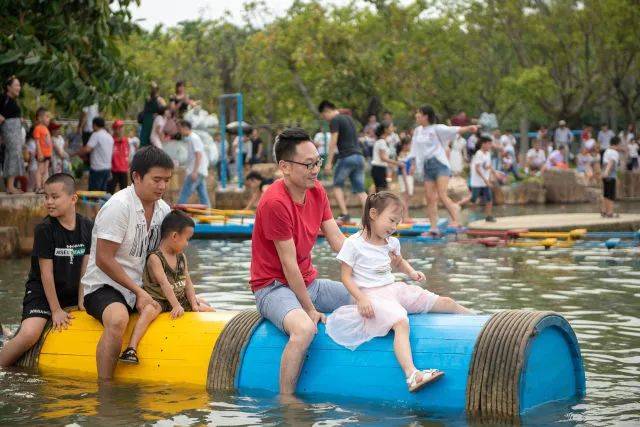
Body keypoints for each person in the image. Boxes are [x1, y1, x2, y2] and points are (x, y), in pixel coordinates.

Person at [325, 192, 470, 391]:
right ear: (373, 214)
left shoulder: (391, 242)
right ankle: (412, 375)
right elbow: (345, 277)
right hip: (370, 295)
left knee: (446, 302)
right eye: (391, 221)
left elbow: (399, 262)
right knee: (401, 322)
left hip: (393, 289)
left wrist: (412, 272)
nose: (394, 227)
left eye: (397, 223)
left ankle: (485, 323)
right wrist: (361, 299)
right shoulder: (353, 244)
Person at [250, 127, 357, 395]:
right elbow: (288, 266)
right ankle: (286, 400)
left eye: (317, 162)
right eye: (308, 164)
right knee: (304, 330)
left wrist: (369, 272)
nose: (315, 169)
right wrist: (309, 309)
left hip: (308, 282)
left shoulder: (317, 191)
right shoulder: (275, 202)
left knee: (367, 298)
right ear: (284, 167)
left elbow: (337, 240)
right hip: (272, 287)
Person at [81, 146, 174, 380]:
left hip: (140, 287)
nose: (162, 186)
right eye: (156, 179)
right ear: (136, 177)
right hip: (104, 286)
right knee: (118, 319)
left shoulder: (164, 210)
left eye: (167, 180)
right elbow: (103, 259)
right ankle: (105, 388)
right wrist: (138, 293)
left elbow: (166, 256)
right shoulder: (118, 206)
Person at [0, 173, 93, 367]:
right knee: (29, 334)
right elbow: (46, 273)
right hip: (42, 293)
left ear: (73, 198)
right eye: (46, 196)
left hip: (70, 291)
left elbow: (85, 268)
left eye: (55, 197)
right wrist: (56, 310)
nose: (49, 202)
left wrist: (82, 301)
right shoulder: (44, 229)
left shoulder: (87, 226)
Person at [118, 210, 214, 364]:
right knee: (149, 311)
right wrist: (176, 305)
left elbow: (188, 281)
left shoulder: (181, 256)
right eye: (187, 239)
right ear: (175, 236)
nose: (187, 244)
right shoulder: (155, 258)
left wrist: (193, 303)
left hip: (179, 298)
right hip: (159, 300)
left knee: (206, 306)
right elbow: (164, 283)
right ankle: (131, 348)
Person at [408, 105, 479, 234]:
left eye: (419, 114)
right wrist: (413, 164)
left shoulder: (437, 128)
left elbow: (454, 130)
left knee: (441, 194)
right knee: (430, 198)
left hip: (440, 164)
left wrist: (469, 128)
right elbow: (414, 149)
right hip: (427, 166)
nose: (416, 116)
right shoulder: (417, 131)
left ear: (425, 116)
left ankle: (456, 220)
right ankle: (433, 228)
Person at [319, 100, 367, 223]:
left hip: (347, 157)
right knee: (360, 189)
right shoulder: (348, 118)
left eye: (324, 116)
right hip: (359, 157)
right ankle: (370, 216)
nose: (325, 119)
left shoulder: (335, 120)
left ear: (327, 111)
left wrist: (328, 162)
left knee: (337, 186)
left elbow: (333, 141)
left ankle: (345, 214)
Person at [0, 75, 26, 194]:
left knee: (15, 155)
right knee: (13, 155)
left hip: (15, 131)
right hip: (9, 131)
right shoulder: (3, 98)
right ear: (8, 87)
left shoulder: (13, 100)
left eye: (19, 85)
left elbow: (10, 113)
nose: (19, 87)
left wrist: (19, 119)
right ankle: (10, 186)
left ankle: (11, 185)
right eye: (16, 85)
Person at [177, 120, 210, 207]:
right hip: (199, 170)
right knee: (203, 195)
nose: (179, 130)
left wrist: (195, 171)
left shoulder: (193, 138)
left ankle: (177, 214)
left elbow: (198, 154)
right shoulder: (191, 138)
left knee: (185, 193)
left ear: (185, 128)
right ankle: (207, 215)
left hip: (196, 171)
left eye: (180, 128)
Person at [77, 117, 114, 191]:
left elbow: (87, 149)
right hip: (107, 168)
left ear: (94, 125)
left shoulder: (96, 135)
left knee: (94, 193)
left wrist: (78, 152)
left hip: (97, 168)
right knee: (102, 192)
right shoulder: (109, 137)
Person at [469, 136, 496, 222]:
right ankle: (471, 216)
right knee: (474, 199)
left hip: (485, 181)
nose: (490, 146)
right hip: (477, 181)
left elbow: (487, 166)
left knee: (489, 198)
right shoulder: (479, 153)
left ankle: (488, 216)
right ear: (483, 144)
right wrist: (485, 180)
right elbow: (477, 169)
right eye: (489, 144)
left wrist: (493, 174)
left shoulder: (488, 153)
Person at [371, 121, 402, 192]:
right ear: (385, 129)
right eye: (391, 127)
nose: (393, 129)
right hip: (379, 169)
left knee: (380, 192)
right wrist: (397, 163)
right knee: (382, 192)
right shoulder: (381, 142)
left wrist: (391, 164)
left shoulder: (382, 141)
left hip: (379, 168)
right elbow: (383, 158)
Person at [32, 107, 53, 193]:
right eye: (47, 116)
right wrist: (40, 152)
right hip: (42, 153)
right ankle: (38, 187)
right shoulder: (38, 128)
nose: (49, 119)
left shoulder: (46, 128)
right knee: (40, 170)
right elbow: (37, 142)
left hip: (47, 154)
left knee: (45, 170)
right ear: (40, 118)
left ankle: (44, 187)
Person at [107, 120, 130, 194]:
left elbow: (127, 154)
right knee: (109, 192)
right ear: (114, 129)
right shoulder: (110, 140)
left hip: (124, 170)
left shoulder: (126, 140)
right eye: (117, 128)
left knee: (124, 193)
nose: (120, 130)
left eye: (121, 127)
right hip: (113, 170)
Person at [602, 137, 621, 218]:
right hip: (610, 174)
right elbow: (611, 162)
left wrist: (604, 172)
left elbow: (605, 163)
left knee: (606, 194)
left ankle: (605, 211)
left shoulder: (607, 151)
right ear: (617, 144)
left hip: (605, 174)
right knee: (611, 194)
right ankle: (610, 212)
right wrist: (607, 172)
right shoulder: (614, 152)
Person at [396, 137, 414, 222]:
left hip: (409, 177)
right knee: (405, 196)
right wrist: (406, 182)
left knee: (408, 197)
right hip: (403, 177)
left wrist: (413, 167)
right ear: (405, 145)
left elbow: (412, 164)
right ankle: (404, 217)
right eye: (409, 144)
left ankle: (405, 216)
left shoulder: (409, 154)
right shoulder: (401, 154)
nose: (410, 146)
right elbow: (402, 169)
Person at [140, 82, 163, 147]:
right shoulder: (147, 99)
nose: (152, 90)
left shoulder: (160, 99)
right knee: (144, 140)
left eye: (154, 88)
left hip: (155, 122)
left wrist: (158, 114)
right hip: (146, 121)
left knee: (153, 141)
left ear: (157, 89)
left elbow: (164, 110)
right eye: (151, 88)